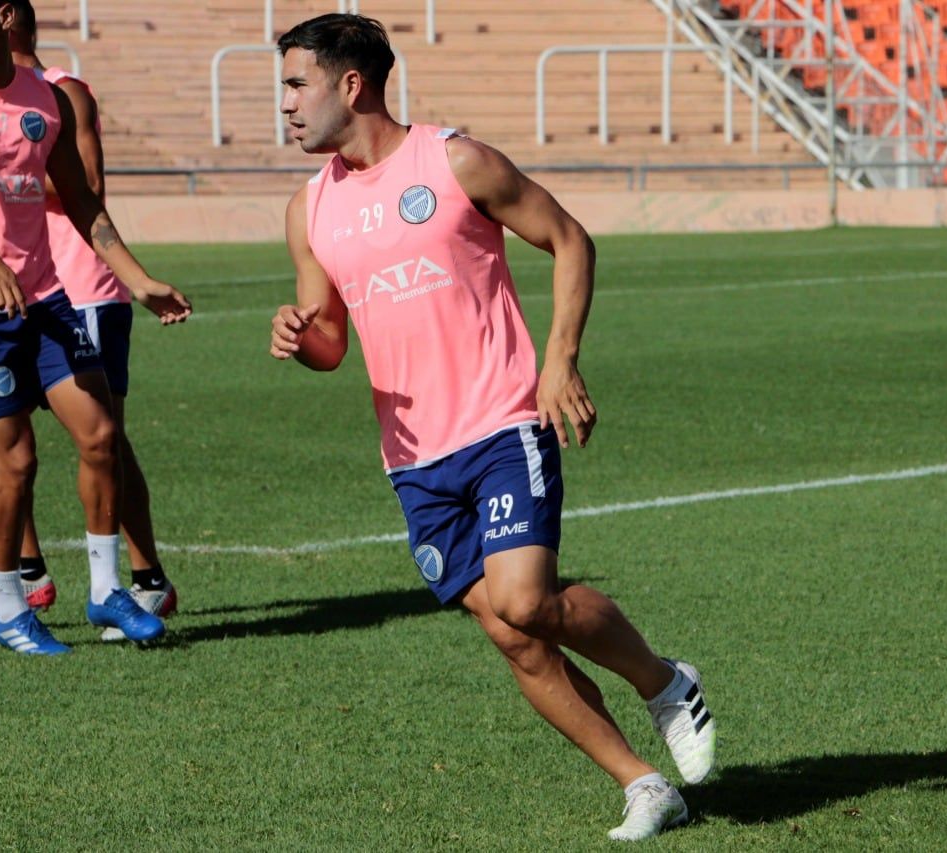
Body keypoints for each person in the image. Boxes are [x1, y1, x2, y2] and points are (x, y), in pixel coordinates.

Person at [267, 14, 715, 841]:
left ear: (351, 85)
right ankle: (646, 783)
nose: (285, 104)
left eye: (297, 85)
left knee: (524, 598)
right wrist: (303, 338)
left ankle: (662, 680)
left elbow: (569, 239)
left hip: (503, 421)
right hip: (411, 458)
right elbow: (331, 341)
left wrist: (559, 360)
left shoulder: (454, 160)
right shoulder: (309, 208)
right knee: (513, 636)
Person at [0, 0, 190, 654]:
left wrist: (138, 278)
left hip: (49, 297)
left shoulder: (44, 98)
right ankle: (9, 607)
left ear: (4, 16)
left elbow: (82, 201)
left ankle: (107, 588)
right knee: (16, 462)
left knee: (101, 433)